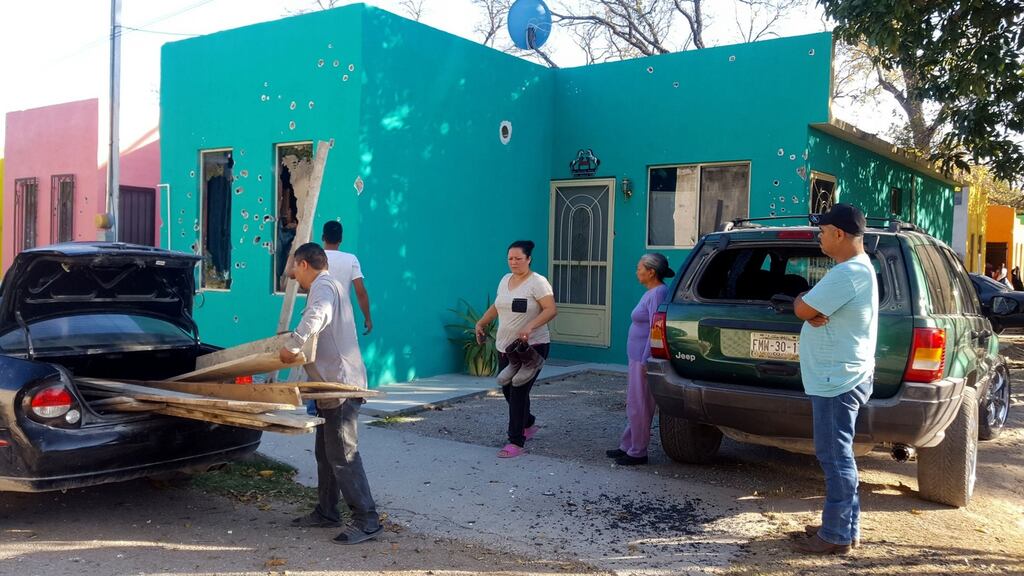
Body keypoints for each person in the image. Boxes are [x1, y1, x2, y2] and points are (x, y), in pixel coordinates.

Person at [279, 243, 381, 545]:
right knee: (326, 454)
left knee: (343, 455)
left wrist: (294, 343)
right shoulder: (330, 284)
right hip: (329, 386)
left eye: (294, 268)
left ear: (304, 265)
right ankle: (326, 511)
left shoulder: (323, 286)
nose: (294, 275)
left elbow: (318, 315)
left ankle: (367, 519)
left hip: (341, 385)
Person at [793, 204, 878, 555]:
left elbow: (802, 307)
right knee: (839, 454)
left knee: (835, 456)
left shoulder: (847, 273)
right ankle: (844, 527)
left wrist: (805, 304)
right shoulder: (856, 269)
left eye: (823, 231)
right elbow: (812, 310)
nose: (819, 237)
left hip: (837, 379)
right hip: (841, 375)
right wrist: (813, 309)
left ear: (839, 234)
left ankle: (835, 536)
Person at [474, 240, 557, 458]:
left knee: (519, 391)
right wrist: (481, 322)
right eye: (510, 258)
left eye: (518, 258)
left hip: (532, 346)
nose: (514, 262)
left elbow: (550, 310)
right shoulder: (504, 280)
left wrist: (530, 325)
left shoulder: (538, 282)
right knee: (508, 390)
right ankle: (527, 422)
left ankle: (516, 440)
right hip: (506, 347)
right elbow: (497, 306)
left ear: (528, 259)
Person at [607, 253, 673, 466]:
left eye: (639, 268)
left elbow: (656, 327)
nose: (637, 272)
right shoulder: (651, 292)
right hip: (635, 357)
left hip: (642, 359)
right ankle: (628, 445)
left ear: (651, 271)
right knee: (634, 403)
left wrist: (647, 360)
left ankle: (638, 451)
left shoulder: (658, 293)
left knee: (640, 405)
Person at [322, 220, 372, 335]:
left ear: (323, 237)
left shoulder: (313, 257)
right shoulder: (351, 260)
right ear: (341, 239)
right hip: (343, 318)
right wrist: (368, 318)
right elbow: (361, 292)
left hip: (318, 317)